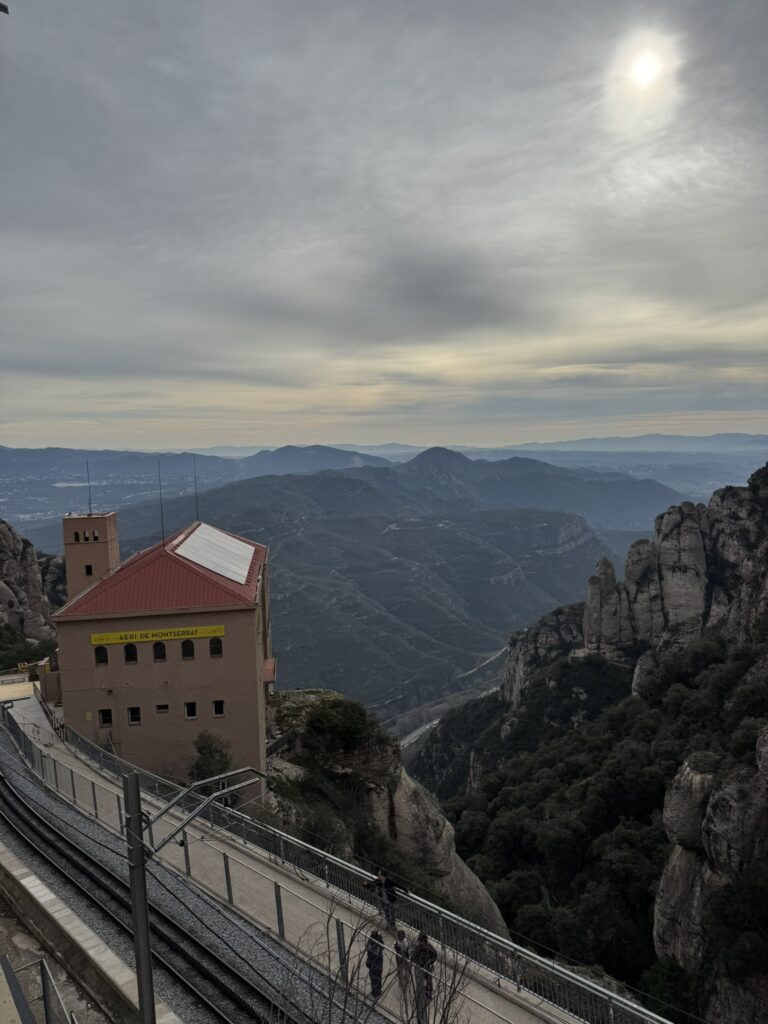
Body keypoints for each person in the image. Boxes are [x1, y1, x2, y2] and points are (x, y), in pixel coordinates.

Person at [411, 932, 438, 1024]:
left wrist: (426, 962)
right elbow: (435, 955)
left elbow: (413, 957)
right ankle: (428, 993)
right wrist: (430, 962)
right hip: (425, 967)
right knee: (428, 980)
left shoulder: (420, 948)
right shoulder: (428, 947)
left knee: (424, 981)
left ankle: (425, 994)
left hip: (422, 967)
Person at [366, 929, 384, 999]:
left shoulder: (371, 943)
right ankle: (378, 991)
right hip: (378, 963)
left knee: (373, 978)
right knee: (378, 977)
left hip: (373, 963)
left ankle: (374, 992)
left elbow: (369, 951)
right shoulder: (379, 944)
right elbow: (382, 948)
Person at [394, 929, 412, 997]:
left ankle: (401, 982)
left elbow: (394, 947)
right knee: (406, 969)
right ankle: (407, 981)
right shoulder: (407, 942)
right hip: (406, 957)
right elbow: (409, 949)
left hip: (399, 957)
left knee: (400, 969)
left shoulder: (397, 942)